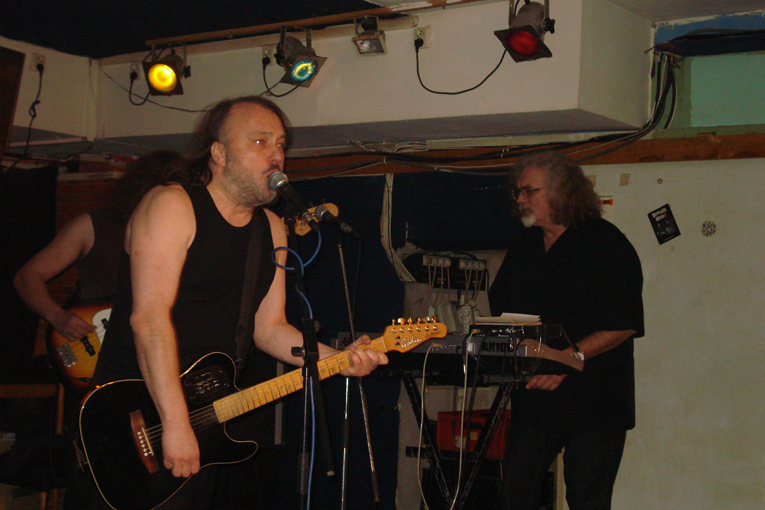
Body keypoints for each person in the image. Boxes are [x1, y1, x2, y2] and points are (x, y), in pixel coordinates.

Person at [88, 95, 387, 509]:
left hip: (204, 414)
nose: (276, 156)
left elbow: (270, 329)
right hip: (132, 414)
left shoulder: (272, 228)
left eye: (280, 145)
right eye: (260, 142)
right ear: (219, 153)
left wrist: (338, 360)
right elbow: (149, 319)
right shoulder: (172, 205)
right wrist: (174, 422)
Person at [488, 150, 644, 510]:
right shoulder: (525, 245)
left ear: (562, 191)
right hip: (536, 394)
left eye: (529, 191)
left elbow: (623, 323)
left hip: (595, 399)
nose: (521, 199)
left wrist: (565, 359)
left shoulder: (606, 243)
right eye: (517, 192)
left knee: (587, 500)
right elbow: (503, 307)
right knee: (513, 495)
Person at [14, 150, 185, 348]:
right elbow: (27, 276)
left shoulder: (183, 234)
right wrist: (57, 316)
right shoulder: (93, 225)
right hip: (96, 343)